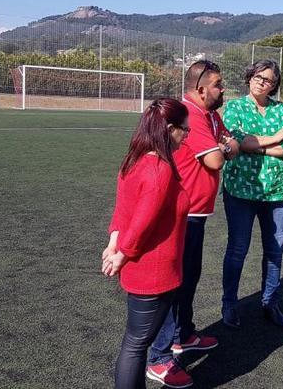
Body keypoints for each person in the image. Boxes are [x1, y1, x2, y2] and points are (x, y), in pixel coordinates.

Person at [146, 60, 240, 388]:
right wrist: (227, 148)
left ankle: (183, 335)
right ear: (200, 89)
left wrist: (227, 146)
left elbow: (231, 144)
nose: (222, 88)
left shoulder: (211, 114)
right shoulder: (189, 114)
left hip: (198, 213)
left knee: (189, 279)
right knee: (173, 286)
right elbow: (217, 158)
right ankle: (159, 359)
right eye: (217, 84)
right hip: (182, 215)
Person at [100, 98, 191, 389]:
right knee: (136, 345)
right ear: (169, 129)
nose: (185, 136)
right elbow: (142, 219)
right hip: (153, 272)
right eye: (184, 130)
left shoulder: (135, 159)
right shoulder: (158, 168)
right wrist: (122, 253)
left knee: (135, 343)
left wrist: (115, 244)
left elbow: (123, 210)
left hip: (143, 269)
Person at [220, 59, 283, 329]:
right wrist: (276, 138)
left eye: (268, 79)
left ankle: (270, 302)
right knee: (238, 249)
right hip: (241, 189)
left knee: (274, 251)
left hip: (276, 192)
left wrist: (257, 146)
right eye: (257, 76)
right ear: (249, 77)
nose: (261, 82)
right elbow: (237, 141)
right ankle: (229, 304)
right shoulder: (234, 107)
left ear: (275, 85)